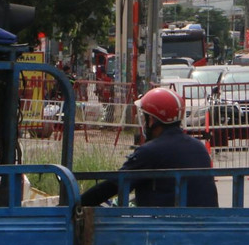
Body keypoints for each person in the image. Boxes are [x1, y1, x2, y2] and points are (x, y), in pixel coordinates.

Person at [81, 87, 218, 208]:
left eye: (145, 117)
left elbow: (116, 184)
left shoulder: (150, 151)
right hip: (206, 222)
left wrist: (78, 203)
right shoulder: (198, 147)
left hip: (163, 226)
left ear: (152, 120)